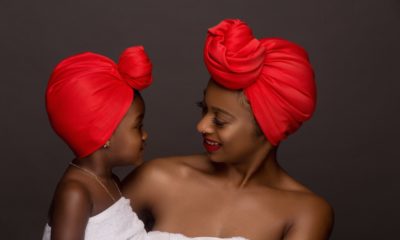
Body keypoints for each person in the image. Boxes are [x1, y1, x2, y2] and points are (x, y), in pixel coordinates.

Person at [122, 19, 334, 240]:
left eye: (220, 121)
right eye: (203, 110)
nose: (201, 126)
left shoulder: (306, 213)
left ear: (267, 125)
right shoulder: (157, 179)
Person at [42, 46, 152, 240]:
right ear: (105, 133)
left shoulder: (110, 181)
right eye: (138, 126)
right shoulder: (75, 193)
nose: (145, 135)